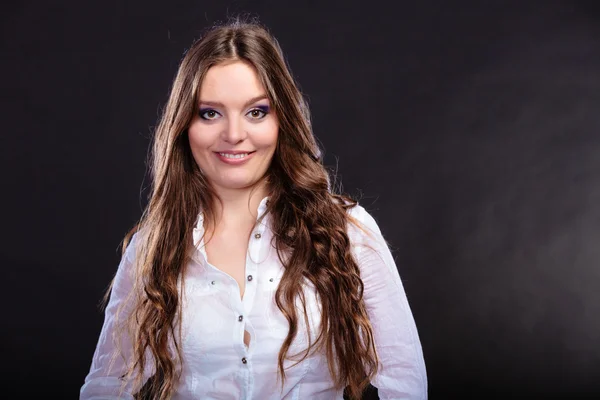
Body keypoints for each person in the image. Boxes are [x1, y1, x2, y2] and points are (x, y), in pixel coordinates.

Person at [80, 17, 427, 400]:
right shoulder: (151, 247)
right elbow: (106, 387)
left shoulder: (348, 231)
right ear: (184, 125)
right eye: (210, 113)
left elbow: (404, 379)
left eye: (256, 112)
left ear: (282, 120)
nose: (233, 134)